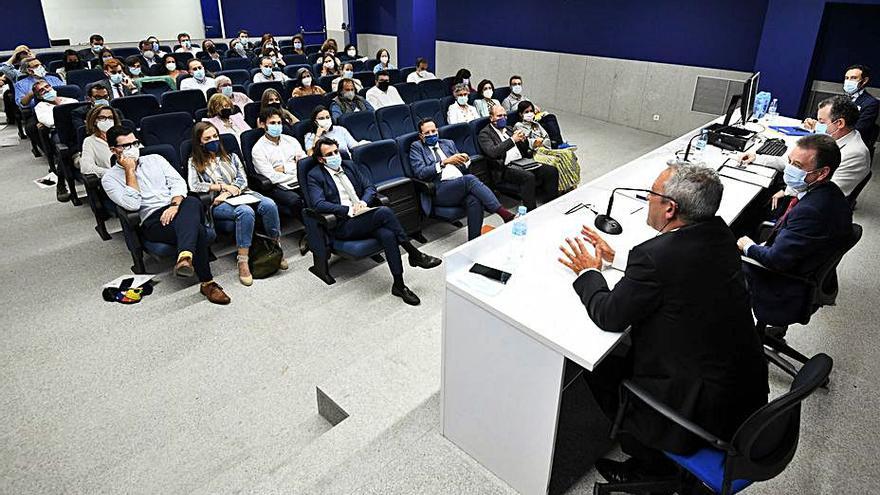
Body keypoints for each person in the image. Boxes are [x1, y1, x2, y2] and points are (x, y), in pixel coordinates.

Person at [559, 163, 769, 483]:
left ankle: (647, 457)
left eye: (651, 194)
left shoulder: (656, 256)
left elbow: (609, 315)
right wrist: (616, 258)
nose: (647, 198)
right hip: (742, 392)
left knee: (593, 365)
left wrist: (588, 272)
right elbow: (678, 274)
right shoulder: (720, 234)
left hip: (699, 412)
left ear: (670, 209)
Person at [101, 125, 230, 304]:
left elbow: (178, 184)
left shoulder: (156, 159)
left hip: (178, 206)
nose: (133, 149)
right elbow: (132, 204)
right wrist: (130, 170)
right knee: (198, 229)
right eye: (126, 146)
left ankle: (186, 257)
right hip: (154, 221)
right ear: (113, 150)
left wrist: (175, 205)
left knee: (192, 201)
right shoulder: (109, 178)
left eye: (135, 143)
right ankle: (206, 282)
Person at [306, 137, 442, 305]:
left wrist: (363, 202)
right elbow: (318, 204)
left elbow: (370, 187)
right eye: (330, 154)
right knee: (384, 212)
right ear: (321, 159)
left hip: (364, 214)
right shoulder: (315, 175)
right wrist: (347, 209)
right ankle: (414, 253)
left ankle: (399, 285)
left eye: (336, 151)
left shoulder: (349, 166)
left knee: (388, 235)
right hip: (343, 223)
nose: (335, 155)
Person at [737, 134, 853, 323]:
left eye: (797, 166)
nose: (789, 169)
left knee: (713, 262)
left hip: (782, 281)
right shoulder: (829, 192)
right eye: (790, 161)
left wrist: (748, 246)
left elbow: (775, 260)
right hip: (799, 262)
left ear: (822, 173)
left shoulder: (812, 212)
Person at [187, 122, 286, 286]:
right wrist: (221, 188)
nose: (213, 140)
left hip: (241, 193)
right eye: (208, 138)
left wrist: (230, 191)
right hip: (217, 203)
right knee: (245, 211)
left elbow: (242, 178)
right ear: (199, 142)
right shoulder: (194, 162)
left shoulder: (231, 156)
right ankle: (243, 261)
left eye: (215, 136)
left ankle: (275, 248)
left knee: (269, 205)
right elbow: (194, 185)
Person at [743, 96, 869, 201]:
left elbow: (826, 194)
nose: (816, 125)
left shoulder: (855, 154)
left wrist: (787, 193)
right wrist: (758, 158)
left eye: (821, 121)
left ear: (840, 123)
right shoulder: (829, 137)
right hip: (799, 186)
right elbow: (792, 162)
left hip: (808, 202)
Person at [410, 118, 514, 240]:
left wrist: (465, 161)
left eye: (433, 131)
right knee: (469, 179)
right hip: (438, 189)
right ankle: (504, 213)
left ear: (437, 131)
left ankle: (474, 240)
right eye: (427, 133)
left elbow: (463, 167)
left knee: (474, 200)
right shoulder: (417, 147)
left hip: (458, 184)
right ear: (421, 136)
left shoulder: (448, 143)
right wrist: (444, 162)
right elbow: (421, 173)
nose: (431, 134)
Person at [478, 105, 559, 211]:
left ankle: (551, 203)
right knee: (528, 177)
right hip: (505, 167)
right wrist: (512, 140)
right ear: (491, 117)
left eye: (504, 116)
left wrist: (523, 140)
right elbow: (493, 152)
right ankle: (531, 210)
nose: (503, 118)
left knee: (551, 170)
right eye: (499, 116)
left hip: (522, 162)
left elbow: (525, 150)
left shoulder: (509, 129)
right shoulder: (485, 134)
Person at [803, 64, 878, 149]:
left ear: (864, 80)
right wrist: (810, 121)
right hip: (826, 139)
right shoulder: (838, 99)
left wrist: (821, 127)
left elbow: (858, 130)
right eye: (846, 78)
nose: (848, 81)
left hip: (848, 145)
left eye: (853, 78)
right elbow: (816, 115)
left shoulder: (871, 103)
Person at [513, 101, 580, 192]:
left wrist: (540, 142)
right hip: (535, 153)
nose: (529, 113)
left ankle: (571, 183)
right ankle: (560, 188)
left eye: (531, 111)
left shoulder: (536, 124)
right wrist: (537, 142)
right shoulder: (518, 126)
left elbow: (546, 138)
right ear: (521, 114)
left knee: (568, 154)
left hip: (545, 148)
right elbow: (526, 142)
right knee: (555, 161)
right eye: (526, 112)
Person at [14, 57, 64, 159]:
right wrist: (33, 93)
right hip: (39, 111)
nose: (40, 67)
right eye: (36, 66)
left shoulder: (54, 79)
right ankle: (52, 154)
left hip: (60, 107)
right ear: (29, 70)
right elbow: (22, 103)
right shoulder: (21, 84)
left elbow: (67, 91)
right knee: (31, 128)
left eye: (40, 65)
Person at [502, 75, 568, 148]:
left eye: (519, 84)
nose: (517, 86)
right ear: (510, 87)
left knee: (550, 117)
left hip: (533, 120)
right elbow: (507, 117)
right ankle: (557, 143)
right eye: (514, 84)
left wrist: (536, 110)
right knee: (548, 125)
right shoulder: (507, 101)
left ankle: (558, 142)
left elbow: (534, 108)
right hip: (522, 122)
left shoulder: (524, 98)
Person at [78, 105, 119, 177]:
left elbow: (141, 153)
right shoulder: (89, 141)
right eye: (102, 118)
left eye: (110, 118)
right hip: (113, 179)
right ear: (94, 121)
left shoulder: (125, 134)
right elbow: (86, 168)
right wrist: (111, 173)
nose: (107, 121)